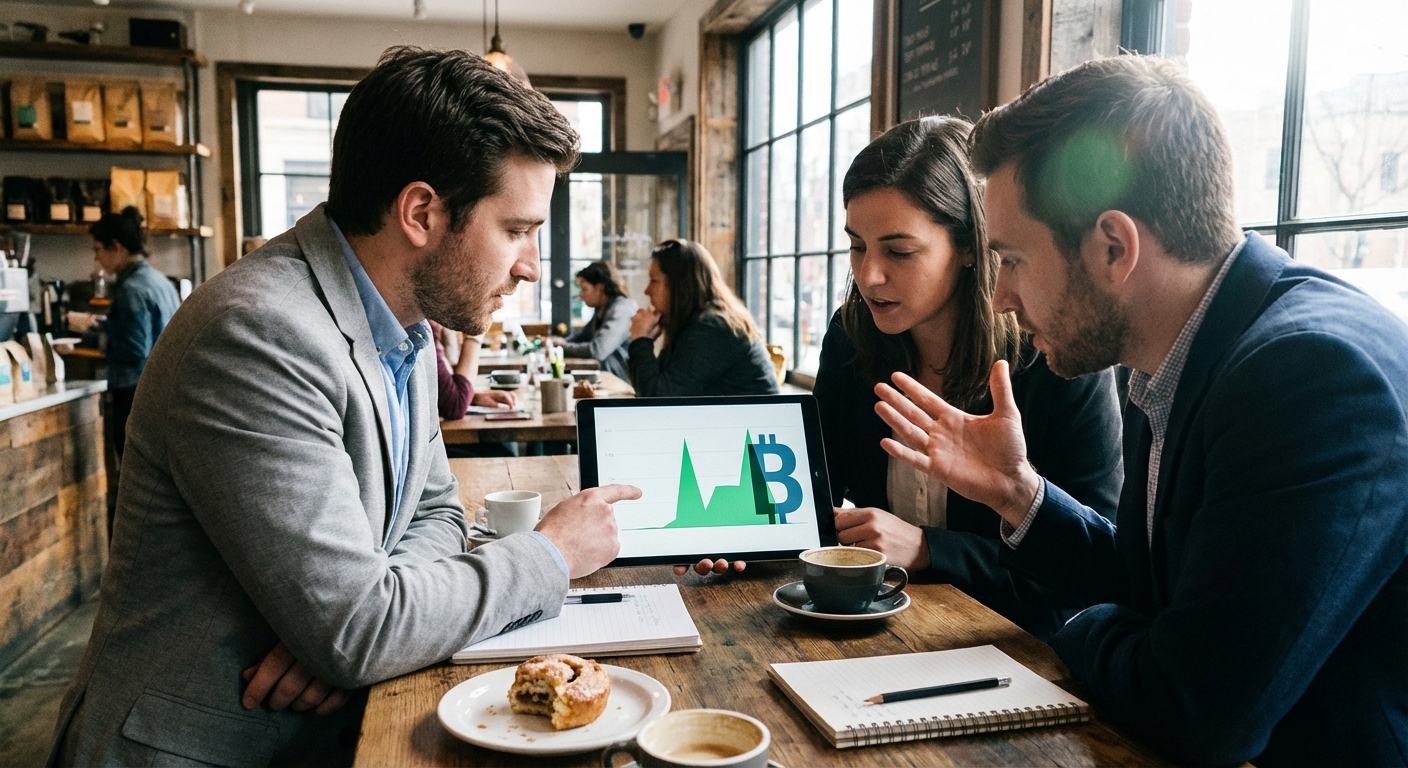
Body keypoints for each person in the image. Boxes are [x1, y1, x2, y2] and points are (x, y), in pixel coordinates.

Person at [50, 47, 639, 767]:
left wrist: (364, 623)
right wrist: (549, 554)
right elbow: (359, 629)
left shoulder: (403, 325)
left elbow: (435, 514)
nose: (529, 266)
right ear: (420, 212)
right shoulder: (256, 333)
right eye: (516, 230)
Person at [875, 56, 1408, 766]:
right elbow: (1150, 582)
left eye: (1014, 259)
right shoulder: (1176, 352)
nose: (1000, 298)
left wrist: (1070, 625)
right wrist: (1018, 493)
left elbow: (1194, 707)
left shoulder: (1310, 376)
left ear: (1113, 247)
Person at [674, 119, 1123, 643]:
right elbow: (812, 495)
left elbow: (1093, 568)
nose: (868, 275)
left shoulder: (1052, 358)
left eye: (899, 251)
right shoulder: (852, 335)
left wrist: (931, 549)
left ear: (970, 247)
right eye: (857, 246)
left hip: (1014, 650)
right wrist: (751, 536)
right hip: (873, 632)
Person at [88, 207, 180, 467]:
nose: (96, 258)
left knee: (134, 470)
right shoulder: (160, 281)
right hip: (163, 391)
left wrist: (101, 340)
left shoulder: (131, 289)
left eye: (98, 249)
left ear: (116, 247)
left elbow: (135, 348)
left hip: (134, 393)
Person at [627, 239, 778, 397]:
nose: (647, 291)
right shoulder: (700, 322)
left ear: (679, 286)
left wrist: (640, 340)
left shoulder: (711, 327)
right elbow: (659, 386)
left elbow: (658, 399)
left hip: (755, 414)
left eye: (654, 281)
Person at [551, 260, 637, 379]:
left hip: (619, 381)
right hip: (604, 377)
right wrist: (559, 343)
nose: (580, 295)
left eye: (584, 289)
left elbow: (597, 350)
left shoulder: (622, 309)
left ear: (599, 288)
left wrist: (562, 347)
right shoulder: (602, 309)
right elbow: (583, 337)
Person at [430, 319, 515, 420]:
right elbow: (455, 406)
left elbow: (444, 390)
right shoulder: (423, 328)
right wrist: (475, 335)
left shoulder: (431, 328)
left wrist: (473, 398)